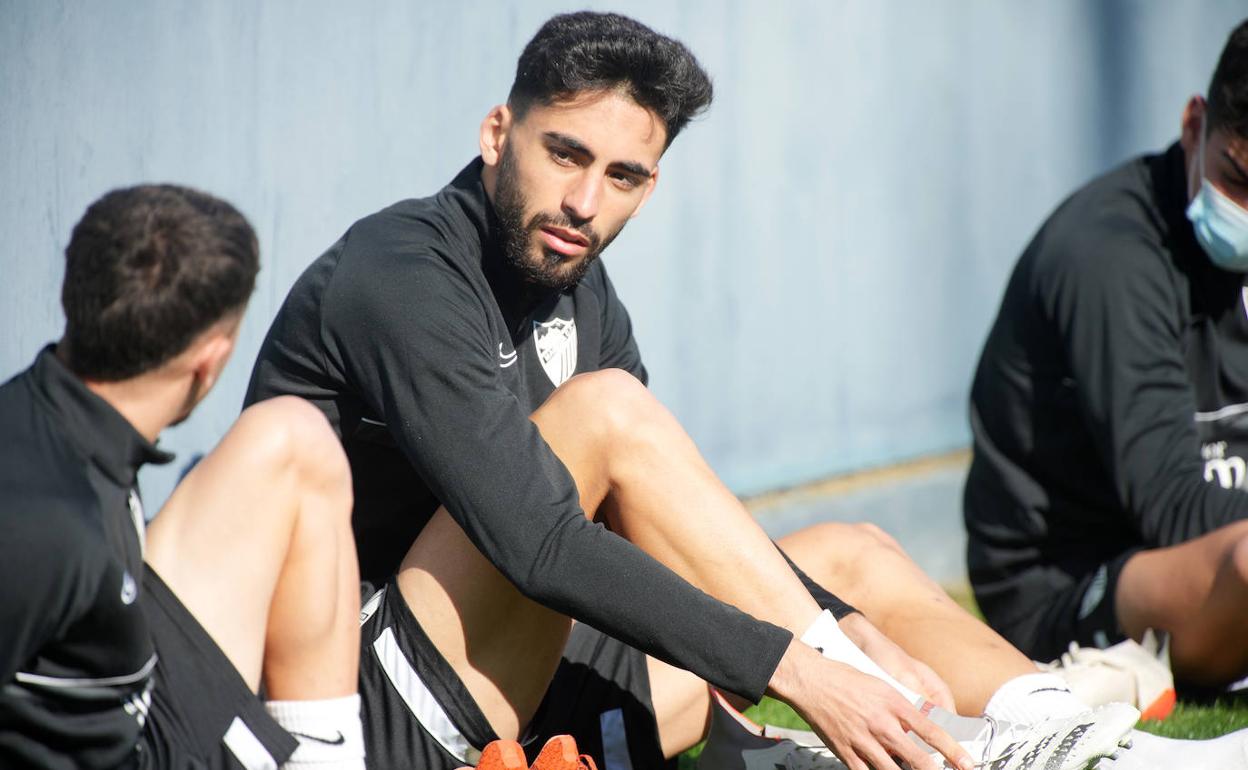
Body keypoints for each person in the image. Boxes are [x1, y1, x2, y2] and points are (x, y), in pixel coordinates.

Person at [246, 12, 1139, 770]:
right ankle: (874, 713)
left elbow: (650, 532)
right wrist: (800, 667)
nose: (584, 202)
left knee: (847, 557)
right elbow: (536, 542)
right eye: (565, 154)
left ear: (650, 184)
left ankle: (1061, 727)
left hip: (523, 668)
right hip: (366, 710)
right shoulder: (403, 269)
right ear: (495, 134)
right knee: (608, 415)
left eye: (622, 176)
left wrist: (835, 620)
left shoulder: (582, 291)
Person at [0, 185, 366, 769]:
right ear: (211, 361)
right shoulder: (46, 534)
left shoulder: (42, 417)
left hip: (126, 684)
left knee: (295, 437)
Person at [963, 18, 1248, 690]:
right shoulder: (1109, 256)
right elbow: (1174, 509)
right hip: (1069, 588)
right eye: (1237, 178)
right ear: (1192, 126)